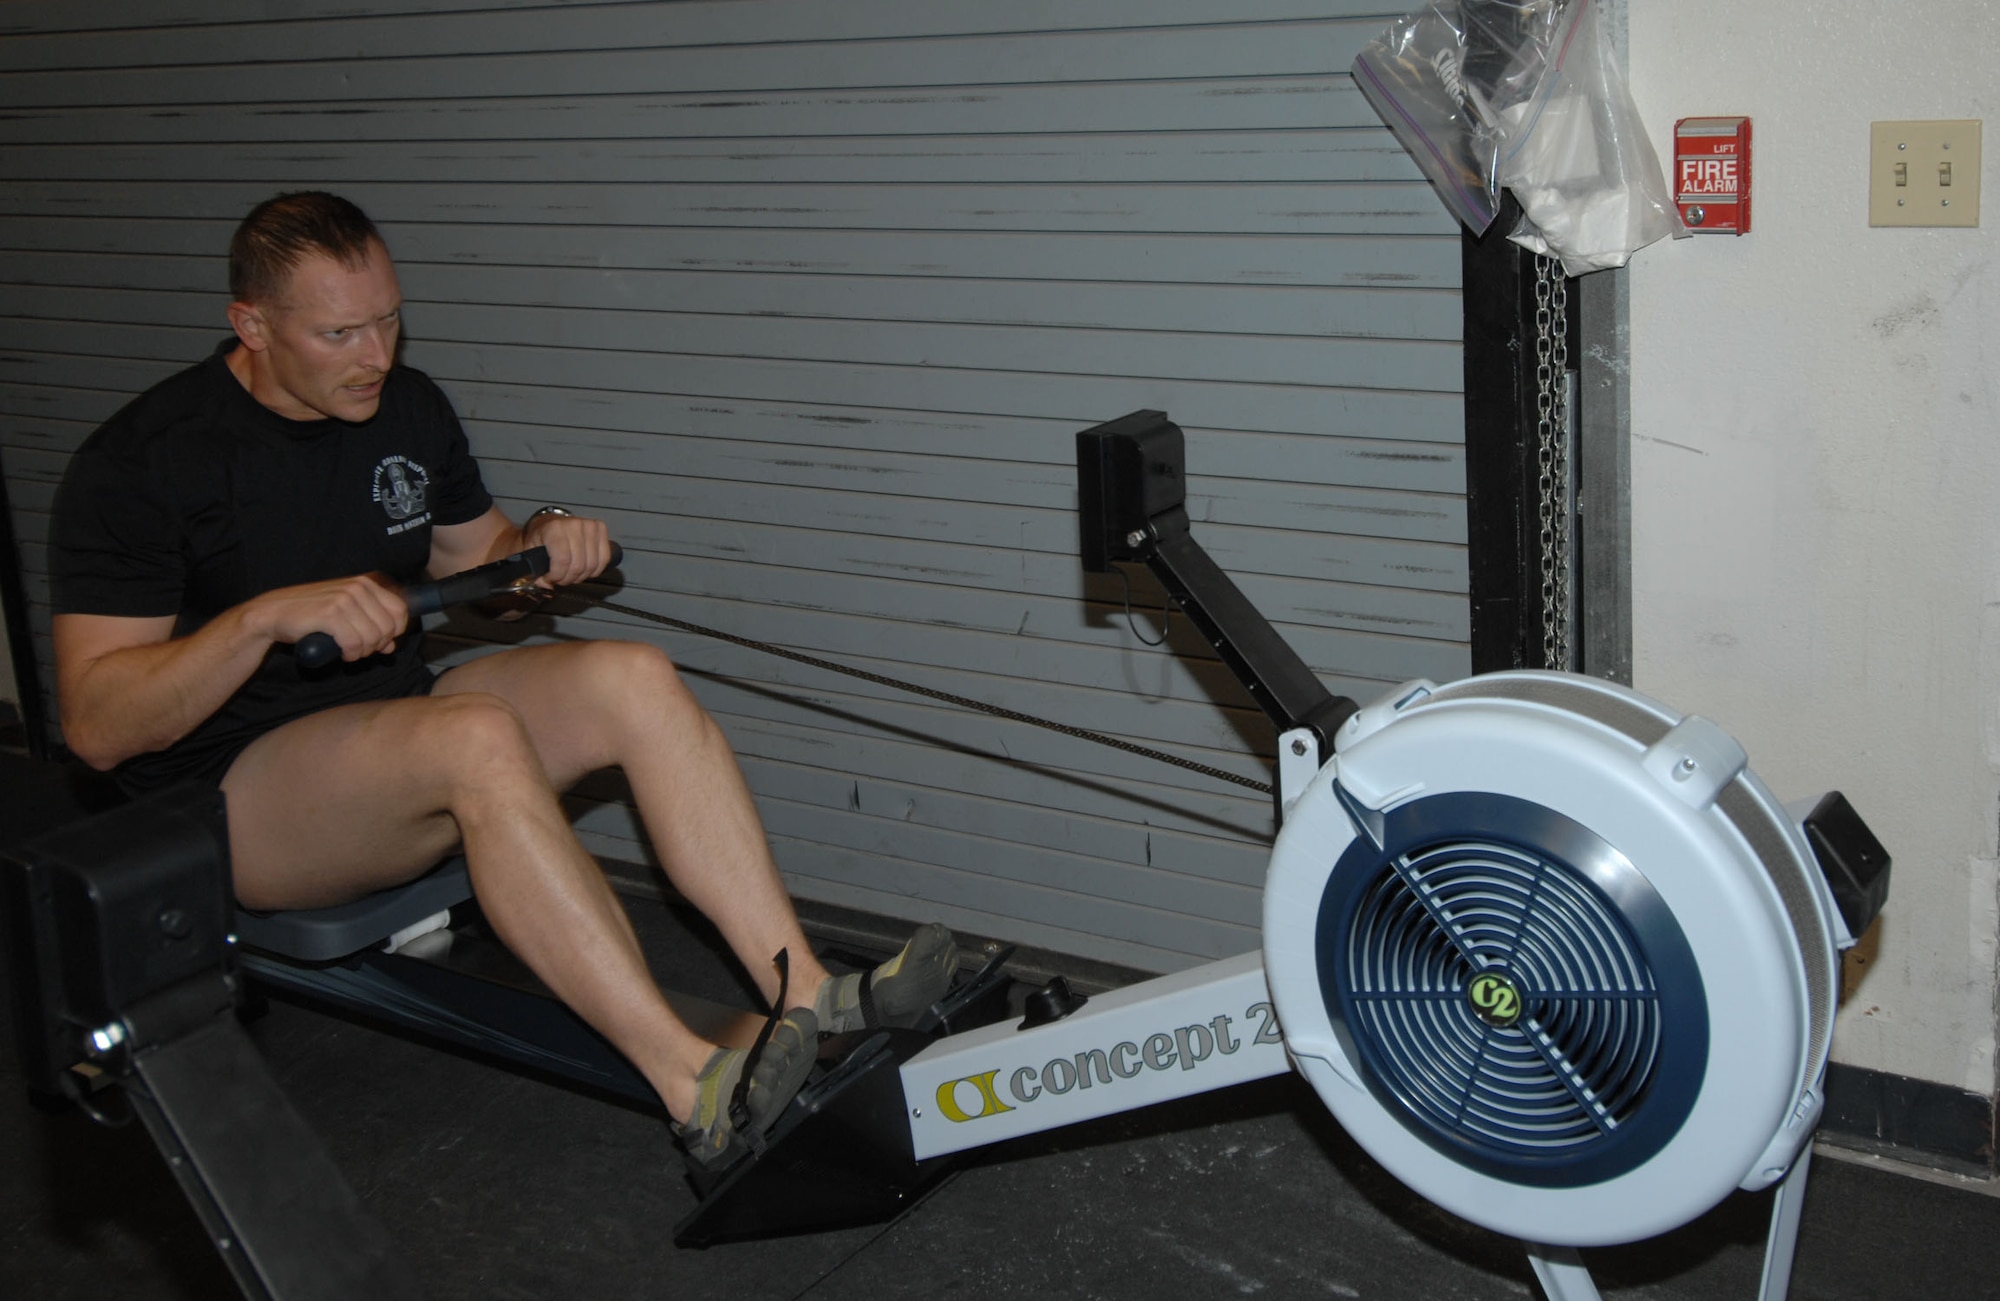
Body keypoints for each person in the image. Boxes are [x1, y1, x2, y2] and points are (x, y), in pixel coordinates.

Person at [47, 191, 955, 1170]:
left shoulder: (404, 406)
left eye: (388, 317)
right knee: (473, 734)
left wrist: (541, 544)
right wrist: (259, 618)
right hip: (232, 797)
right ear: (251, 325)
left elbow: (480, 564)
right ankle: (693, 1085)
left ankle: (806, 990)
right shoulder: (146, 462)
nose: (376, 354)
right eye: (340, 331)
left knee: (632, 676)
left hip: (385, 728)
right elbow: (98, 725)